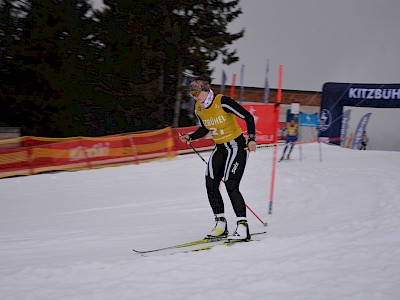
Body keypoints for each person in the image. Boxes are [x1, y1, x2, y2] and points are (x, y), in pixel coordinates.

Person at [179, 75, 257, 241]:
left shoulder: (222, 101)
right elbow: (205, 128)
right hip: (220, 148)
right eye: (193, 95)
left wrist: (251, 138)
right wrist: (190, 137)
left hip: (236, 146)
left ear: (206, 91)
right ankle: (221, 224)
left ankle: (243, 227)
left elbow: (248, 117)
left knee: (230, 183)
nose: (195, 98)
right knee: (211, 182)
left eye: (197, 94)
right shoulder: (199, 108)